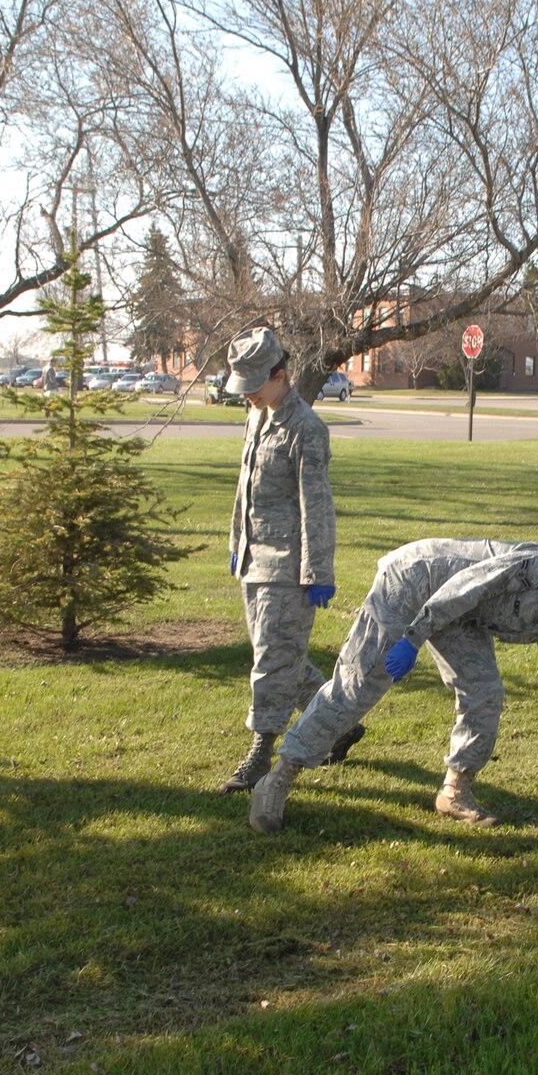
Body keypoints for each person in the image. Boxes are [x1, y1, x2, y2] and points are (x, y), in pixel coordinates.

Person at [246, 540, 538, 835]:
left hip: (462, 617)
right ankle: (277, 780)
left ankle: (454, 793)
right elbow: (465, 587)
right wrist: (412, 638)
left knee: (484, 692)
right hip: (416, 583)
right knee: (359, 683)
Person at [218, 326, 349, 792]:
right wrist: (238, 542)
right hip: (255, 558)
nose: (248, 395)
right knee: (280, 655)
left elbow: (317, 506)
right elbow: (244, 486)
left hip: (289, 566)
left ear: (280, 375)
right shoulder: (257, 418)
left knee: (272, 661)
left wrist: (318, 572)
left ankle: (260, 753)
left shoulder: (306, 429)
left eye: (255, 384)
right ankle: (339, 722)